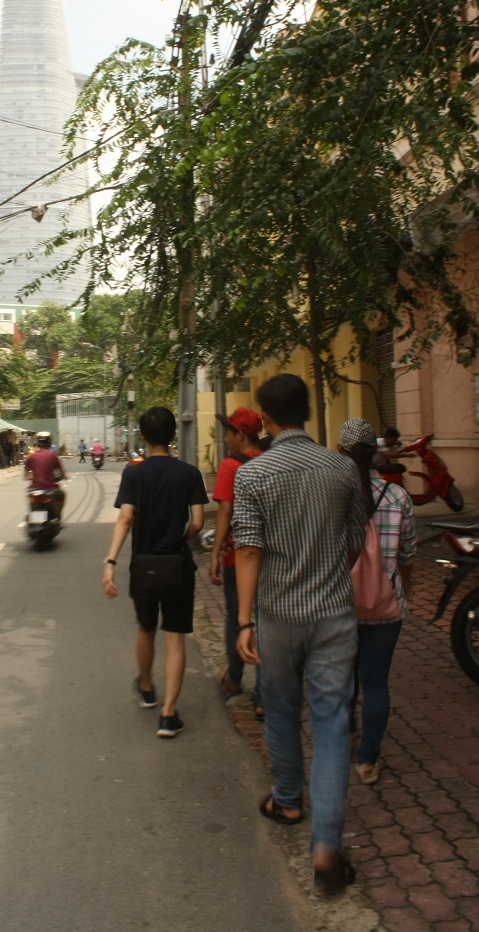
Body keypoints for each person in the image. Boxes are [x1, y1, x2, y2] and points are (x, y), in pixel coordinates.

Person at [232, 375, 365, 896]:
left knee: (282, 710)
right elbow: (354, 541)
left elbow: (248, 548)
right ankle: (327, 847)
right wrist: (328, 575)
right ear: (307, 413)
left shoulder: (253, 473)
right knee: (332, 723)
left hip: (277, 615)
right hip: (334, 615)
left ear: (265, 419)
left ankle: (287, 801)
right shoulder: (341, 468)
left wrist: (245, 620)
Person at [102, 406, 207, 738]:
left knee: (146, 628)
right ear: (173, 435)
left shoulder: (133, 474)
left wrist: (110, 562)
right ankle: (168, 714)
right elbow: (198, 522)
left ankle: (147, 688)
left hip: (143, 565)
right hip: (177, 565)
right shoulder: (189, 473)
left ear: (143, 436)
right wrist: (182, 538)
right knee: (175, 637)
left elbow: (125, 518)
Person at [337, 418, 416, 785]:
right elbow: (407, 555)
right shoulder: (398, 496)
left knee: (344, 680)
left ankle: (346, 734)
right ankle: (368, 759)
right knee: (377, 683)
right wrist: (405, 589)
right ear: (376, 452)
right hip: (386, 606)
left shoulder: (334, 497)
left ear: (340, 451)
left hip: (340, 604)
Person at [209, 407, 264, 715]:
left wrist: (215, 552)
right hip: (269, 554)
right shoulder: (270, 460)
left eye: (228, 432)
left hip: (237, 555)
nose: (226, 438)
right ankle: (264, 695)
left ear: (240, 434)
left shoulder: (231, 465)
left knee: (236, 616)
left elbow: (225, 511)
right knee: (265, 619)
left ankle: (235, 677)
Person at [24, 431, 67, 520]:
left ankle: (32, 513)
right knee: (62, 495)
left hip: (35, 488)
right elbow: (61, 471)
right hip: (50, 489)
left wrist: (28, 476)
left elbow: (26, 471)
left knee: (29, 496)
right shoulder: (53, 455)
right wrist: (63, 476)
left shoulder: (32, 456)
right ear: (49, 443)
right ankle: (58, 517)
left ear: (38, 443)